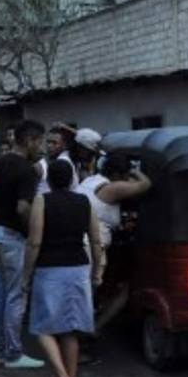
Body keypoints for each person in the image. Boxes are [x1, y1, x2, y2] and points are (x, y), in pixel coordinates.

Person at [22, 159, 104, 377]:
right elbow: (96, 239)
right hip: (78, 268)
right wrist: (97, 270)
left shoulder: (42, 200)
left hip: (50, 269)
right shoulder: (84, 201)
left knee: (42, 328)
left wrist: (26, 275)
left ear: (49, 180)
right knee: (70, 329)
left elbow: (34, 241)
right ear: (71, 179)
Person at [76, 140, 151, 337]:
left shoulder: (89, 181)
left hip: (77, 242)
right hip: (92, 247)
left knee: (84, 294)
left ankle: (83, 333)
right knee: (90, 295)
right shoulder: (112, 188)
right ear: (119, 175)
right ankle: (85, 336)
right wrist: (135, 170)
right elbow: (145, 185)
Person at [0, 120, 47, 369]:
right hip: (13, 237)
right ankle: (13, 353)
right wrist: (32, 227)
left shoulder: (1, 162)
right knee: (16, 295)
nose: (41, 147)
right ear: (30, 140)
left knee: (0, 293)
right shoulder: (26, 170)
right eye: (40, 141)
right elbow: (23, 207)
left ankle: (1, 350)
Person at [37, 124, 78, 194]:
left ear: (64, 145)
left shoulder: (64, 162)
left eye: (54, 143)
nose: (49, 145)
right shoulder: (43, 161)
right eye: (48, 142)